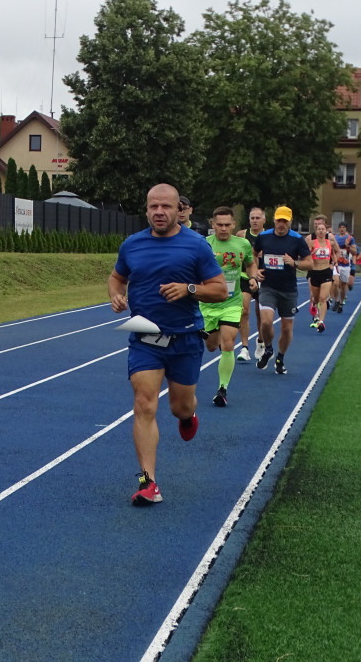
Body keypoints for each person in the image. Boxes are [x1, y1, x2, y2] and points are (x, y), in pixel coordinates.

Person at [109, 183, 228, 506]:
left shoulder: (197, 246)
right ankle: (148, 482)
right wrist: (116, 296)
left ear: (179, 210)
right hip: (145, 338)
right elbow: (116, 277)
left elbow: (219, 290)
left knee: (180, 406)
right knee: (144, 403)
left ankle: (188, 416)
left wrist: (189, 288)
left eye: (165, 207)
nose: (159, 212)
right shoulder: (132, 245)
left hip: (186, 337)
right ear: (146, 210)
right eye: (153, 207)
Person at [202, 206, 258, 407]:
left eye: (227, 225)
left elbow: (251, 263)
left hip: (232, 303)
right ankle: (213, 337)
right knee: (210, 346)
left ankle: (222, 389)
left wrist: (252, 277)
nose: (224, 229)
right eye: (220, 225)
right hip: (207, 304)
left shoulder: (242, 244)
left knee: (228, 344)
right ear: (213, 225)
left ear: (234, 225)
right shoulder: (204, 244)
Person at [253, 205, 313, 375]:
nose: (281, 224)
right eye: (279, 220)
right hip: (268, 287)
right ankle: (269, 349)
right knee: (265, 321)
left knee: (286, 328)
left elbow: (310, 263)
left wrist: (294, 262)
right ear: (274, 220)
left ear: (290, 221)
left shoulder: (297, 240)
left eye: (285, 221)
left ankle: (280, 357)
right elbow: (253, 253)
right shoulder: (264, 237)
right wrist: (256, 270)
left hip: (288, 289)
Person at [235, 206, 267, 362]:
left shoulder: (269, 236)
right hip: (245, 277)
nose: (254, 221)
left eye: (257, 218)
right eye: (252, 218)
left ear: (264, 220)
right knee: (244, 311)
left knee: (261, 313)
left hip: (264, 278)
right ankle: (244, 348)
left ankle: (260, 341)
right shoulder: (241, 235)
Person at [305, 216, 340, 333]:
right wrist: (311, 254)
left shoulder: (330, 242)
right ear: (316, 231)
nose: (320, 231)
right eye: (318, 229)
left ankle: (321, 322)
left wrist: (334, 263)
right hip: (314, 272)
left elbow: (334, 254)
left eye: (323, 229)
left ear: (326, 231)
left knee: (323, 298)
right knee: (315, 298)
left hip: (326, 271)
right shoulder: (311, 242)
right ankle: (314, 305)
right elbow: (304, 257)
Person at [331, 222, 358, 312]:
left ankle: (341, 302)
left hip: (346, 264)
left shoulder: (350, 238)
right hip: (336, 264)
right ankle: (336, 301)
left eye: (344, 227)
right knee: (335, 283)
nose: (342, 229)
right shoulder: (335, 238)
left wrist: (348, 246)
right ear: (338, 229)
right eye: (340, 227)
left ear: (346, 229)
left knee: (343, 285)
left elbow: (354, 252)